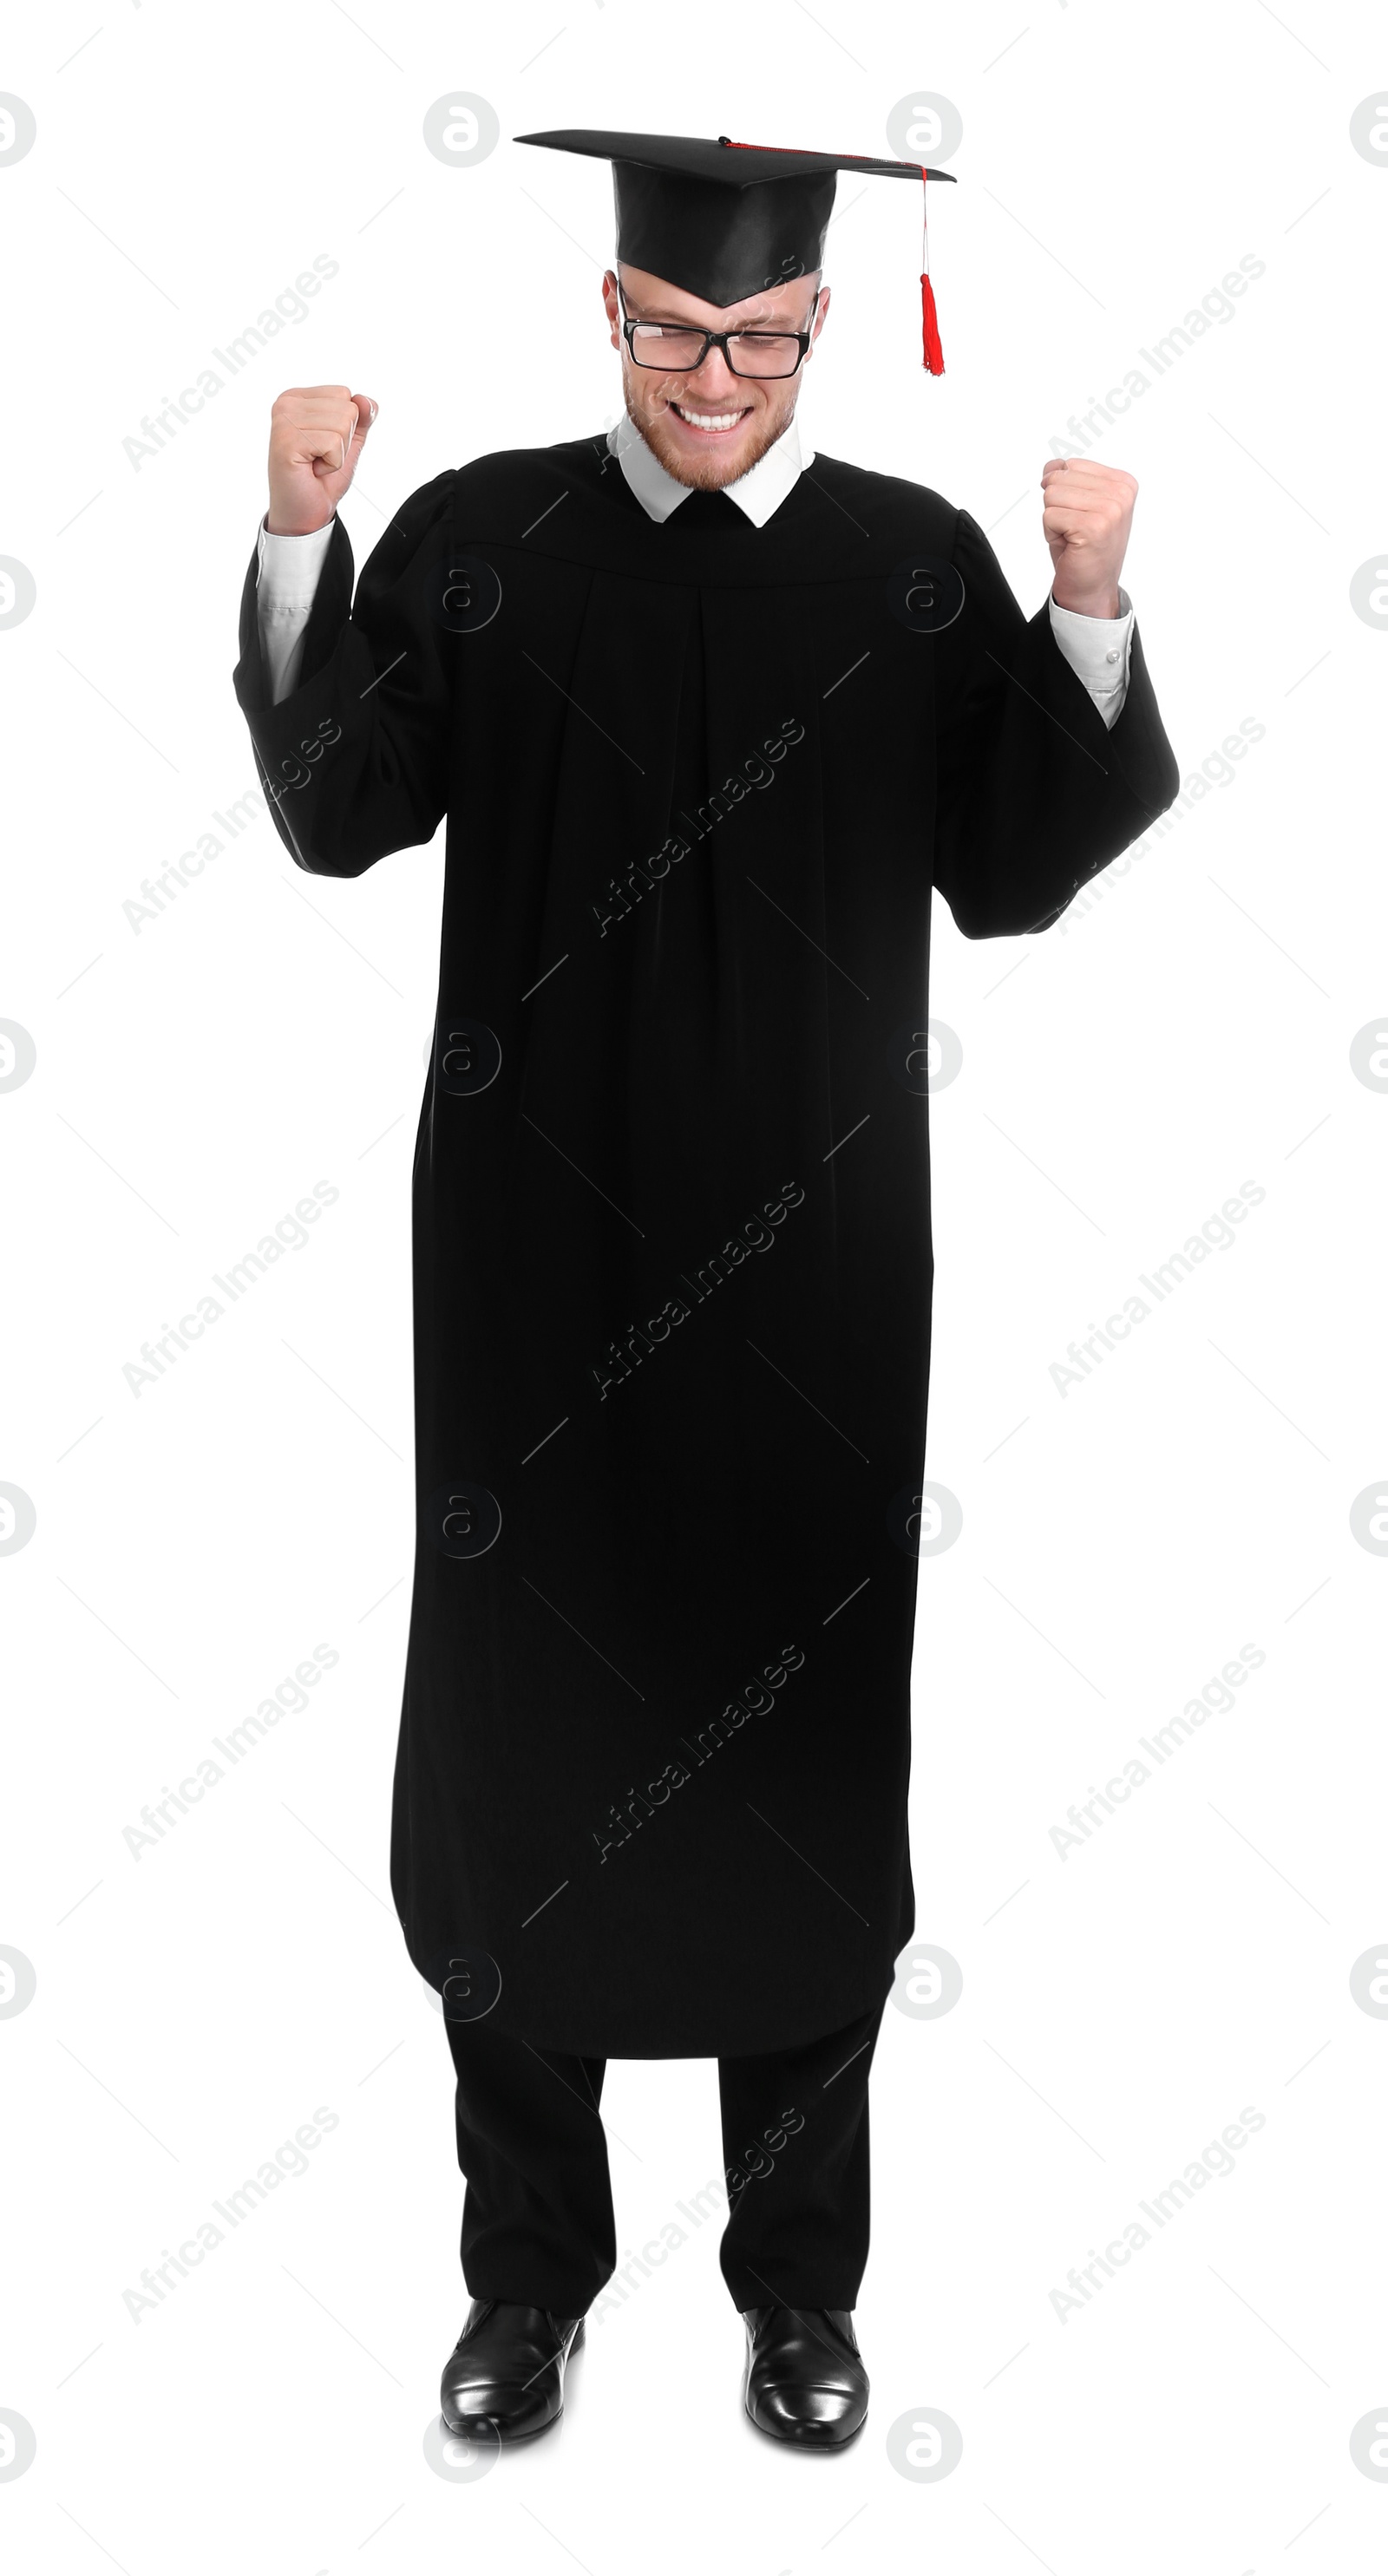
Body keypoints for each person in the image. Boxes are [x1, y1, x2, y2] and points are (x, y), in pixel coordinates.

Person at [232, 127, 1179, 2450]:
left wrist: (1085, 596)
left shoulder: (910, 568)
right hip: (534, 1280)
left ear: (824, 330)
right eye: (679, 331)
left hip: (820, 1285)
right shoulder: (482, 538)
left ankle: (797, 2293)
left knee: (794, 1752)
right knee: (529, 1749)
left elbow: (1021, 870)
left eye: (759, 338)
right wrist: (293, 538)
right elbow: (345, 802)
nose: (717, 373)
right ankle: (530, 2279)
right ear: (616, 314)